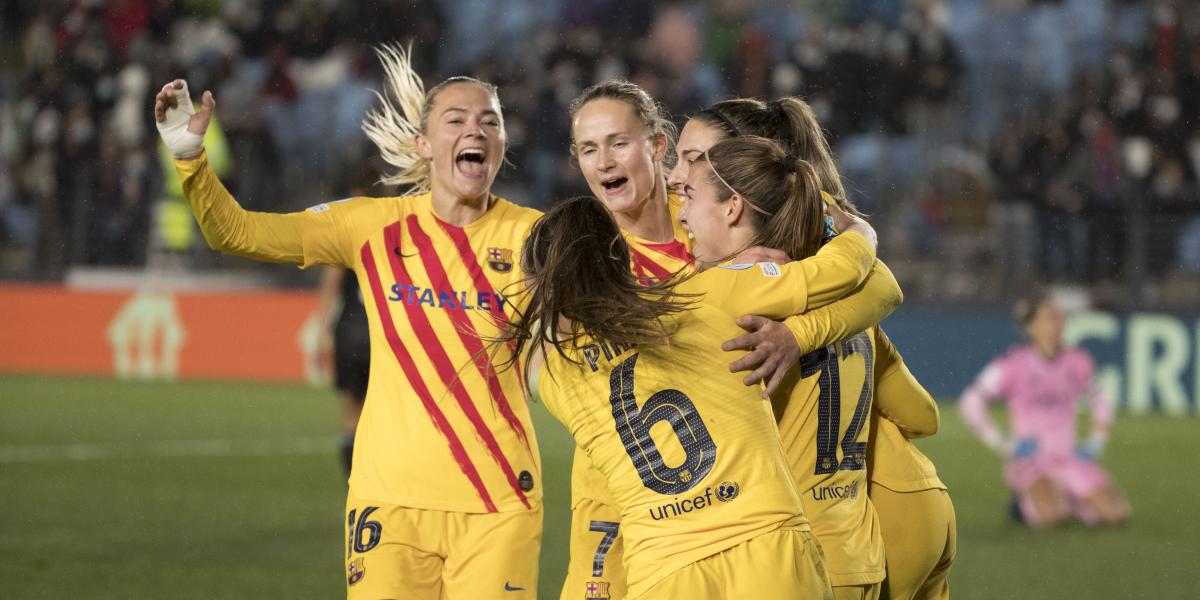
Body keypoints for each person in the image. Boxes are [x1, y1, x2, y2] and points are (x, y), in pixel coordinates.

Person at [154, 44, 543, 598]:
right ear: (424, 143)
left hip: (499, 503)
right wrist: (191, 158)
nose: (475, 131)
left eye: (490, 122)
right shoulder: (370, 226)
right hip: (387, 502)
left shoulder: (537, 238)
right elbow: (236, 232)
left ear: (502, 143)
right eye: (456, 120)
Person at [561, 81, 903, 600]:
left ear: (657, 145)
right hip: (629, 499)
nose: (604, 161)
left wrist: (796, 333)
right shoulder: (598, 263)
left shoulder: (723, 222)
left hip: (741, 519)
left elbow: (879, 284)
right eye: (588, 149)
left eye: (619, 143)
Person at [668, 97, 952, 600]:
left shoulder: (740, 299)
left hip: (797, 552)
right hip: (879, 537)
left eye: (693, 162)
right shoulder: (840, 288)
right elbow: (923, 415)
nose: (675, 180)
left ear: (735, 195)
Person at [960, 292, 1130, 528]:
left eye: (1060, 317)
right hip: (1032, 459)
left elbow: (1100, 400)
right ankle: (1024, 503)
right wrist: (1001, 443)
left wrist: (1097, 440)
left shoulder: (1077, 362)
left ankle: (1065, 495)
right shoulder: (1013, 364)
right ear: (1032, 326)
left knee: (1115, 515)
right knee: (1051, 518)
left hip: (1068, 456)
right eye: (1050, 317)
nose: (1058, 323)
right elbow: (971, 401)